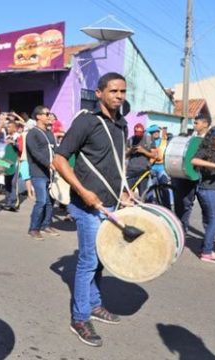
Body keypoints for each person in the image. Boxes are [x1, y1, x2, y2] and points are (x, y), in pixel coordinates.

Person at [53, 72, 129, 347]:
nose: (119, 96)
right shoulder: (86, 121)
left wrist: (125, 192)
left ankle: (95, 305)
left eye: (122, 91)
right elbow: (59, 160)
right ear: (99, 93)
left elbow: (116, 165)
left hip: (110, 204)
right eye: (113, 91)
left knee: (102, 258)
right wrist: (83, 191)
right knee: (88, 261)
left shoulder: (122, 125)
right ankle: (80, 318)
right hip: (86, 205)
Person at [190, 126, 215, 263]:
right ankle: (207, 253)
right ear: (213, 139)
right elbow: (194, 161)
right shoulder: (206, 150)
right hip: (207, 189)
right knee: (214, 221)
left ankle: (205, 247)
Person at [173, 115, 211, 233]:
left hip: (204, 178)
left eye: (196, 123)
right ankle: (181, 229)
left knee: (206, 208)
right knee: (184, 203)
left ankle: (208, 236)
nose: (194, 125)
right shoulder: (191, 139)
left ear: (205, 124)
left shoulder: (211, 140)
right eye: (194, 123)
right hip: (188, 176)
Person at [26, 105, 59, 240]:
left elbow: (54, 151)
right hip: (38, 173)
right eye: (46, 114)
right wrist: (49, 164)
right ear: (38, 116)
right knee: (41, 201)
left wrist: (57, 164)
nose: (49, 116)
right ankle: (33, 228)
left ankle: (46, 225)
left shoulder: (49, 133)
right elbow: (35, 153)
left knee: (50, 201)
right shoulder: (32, 133)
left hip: (50, 173)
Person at [125, 123, 156, 197]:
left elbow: (155, 155)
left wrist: (143, 151)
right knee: (127, 194)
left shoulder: (149, 139)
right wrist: (130, 151)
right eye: (136, 133)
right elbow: (125, 156)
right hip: (131, 171)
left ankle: (143, 206)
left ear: (143, 132)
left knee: (143, 195)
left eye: (140, 133)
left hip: (143, 171)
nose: (138, 135)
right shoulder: (130, 140)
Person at [2, 121, 21, 211]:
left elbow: (20, 147)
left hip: (15, 162)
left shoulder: (18, 136)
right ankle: (8, 202)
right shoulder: (6, 137)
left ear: (14, 128)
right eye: (7, 127)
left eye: (9, 127)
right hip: (6, 162)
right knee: (7, 182)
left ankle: (14, 203)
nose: (8, 128)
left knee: (13, 183)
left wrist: (14, 142)